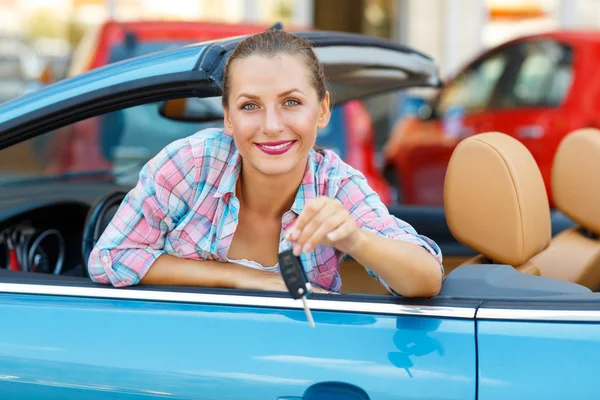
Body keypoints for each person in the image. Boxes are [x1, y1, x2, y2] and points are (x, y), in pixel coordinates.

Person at [87, 28, 444, 297]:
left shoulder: (335, 184)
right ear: (228, 118)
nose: (271, 127)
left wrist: (355, 239)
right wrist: (244, 278)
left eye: (291, 102)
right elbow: (109, 258)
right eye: (249, 106)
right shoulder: (194, 163)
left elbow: (426, 278)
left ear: (322, 110)